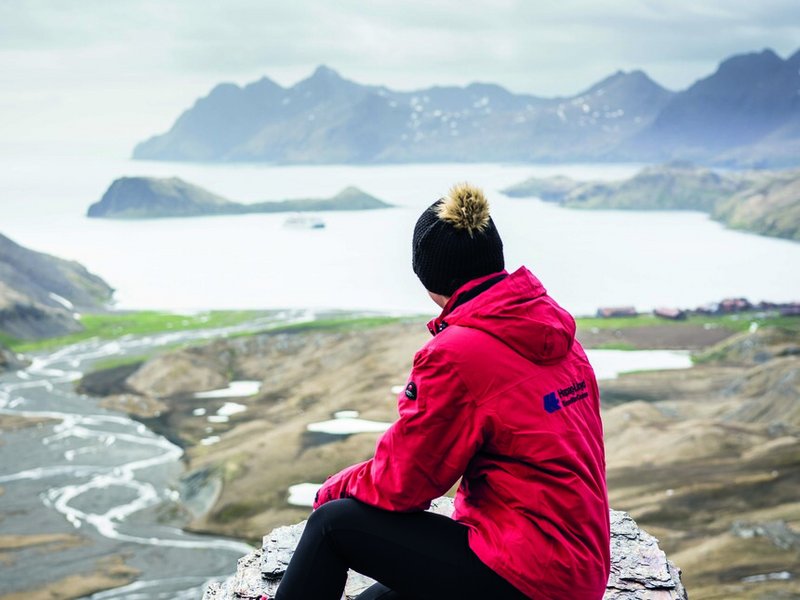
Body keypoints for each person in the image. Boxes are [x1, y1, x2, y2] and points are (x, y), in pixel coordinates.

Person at [274, 183, 610, 600]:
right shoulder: (553, 331)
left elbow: (405, 482)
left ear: (428, 275)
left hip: (527, 574)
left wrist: (333, 488)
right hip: (575, 567)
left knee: (333, 524)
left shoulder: (457, 353)